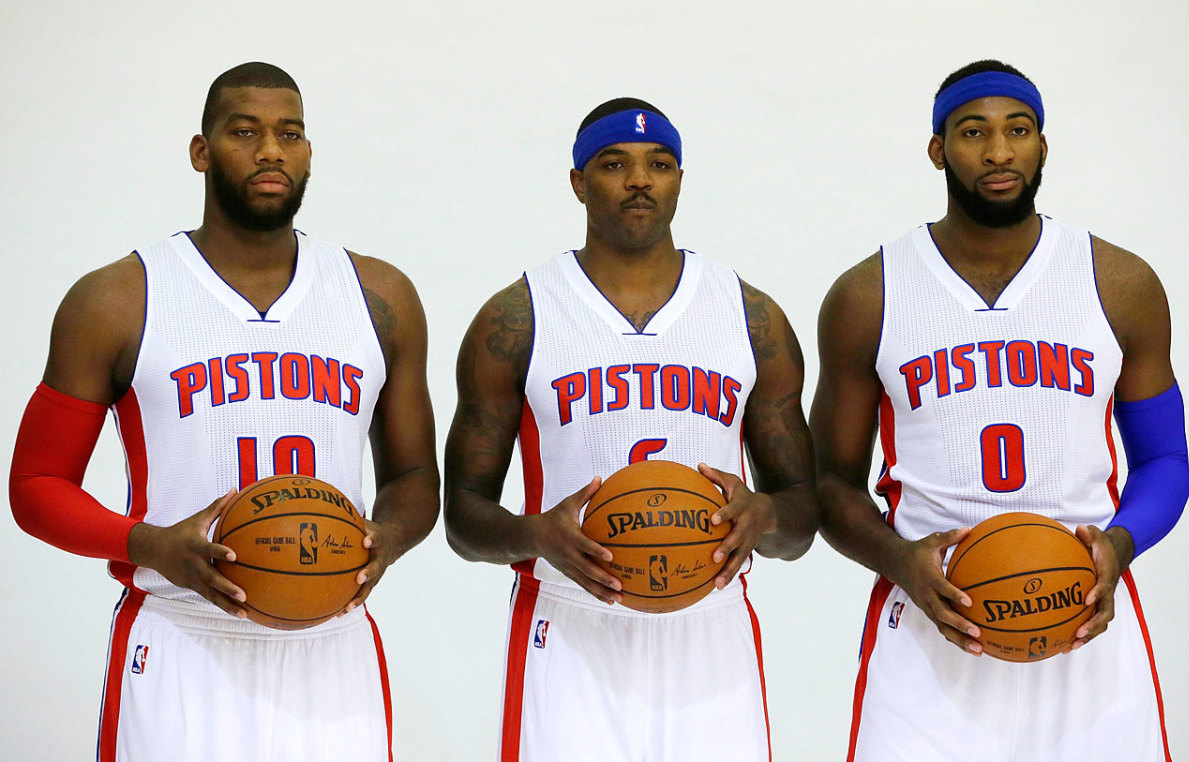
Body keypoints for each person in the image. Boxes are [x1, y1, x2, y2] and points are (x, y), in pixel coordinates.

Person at [9, 62, 440, 761]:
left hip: (331, 645)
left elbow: (416, 474)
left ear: (307, 153)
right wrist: (151, 546)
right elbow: (34, 488)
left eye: (290, 133)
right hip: (181, 639)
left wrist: (381, 541)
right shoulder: (116, 298)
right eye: (245, 130)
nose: (271, 149)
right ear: (201, 151)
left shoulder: (379, 295)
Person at [812, 60, 1189, 761]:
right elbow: (829, 482)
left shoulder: (1121, 284)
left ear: (1043, 144)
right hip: (931, 628)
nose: (997, 152)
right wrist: (900, 561)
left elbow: (1166, 460)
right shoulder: (869, 295)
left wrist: (1119, 547)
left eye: (1018, 130)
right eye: (972, 132)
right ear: (937, 149)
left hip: (1083, 622)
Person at [443, 98, 819, 761]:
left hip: (712, 625)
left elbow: (803, 515)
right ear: (579, 182)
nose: (640, 180)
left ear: (680, 178)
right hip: (570, 628)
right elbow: (462, 516)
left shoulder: (749, 316)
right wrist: (532, 533)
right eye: (615, 164)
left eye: (659, 164)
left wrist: (762, 516)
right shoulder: (518, 317)